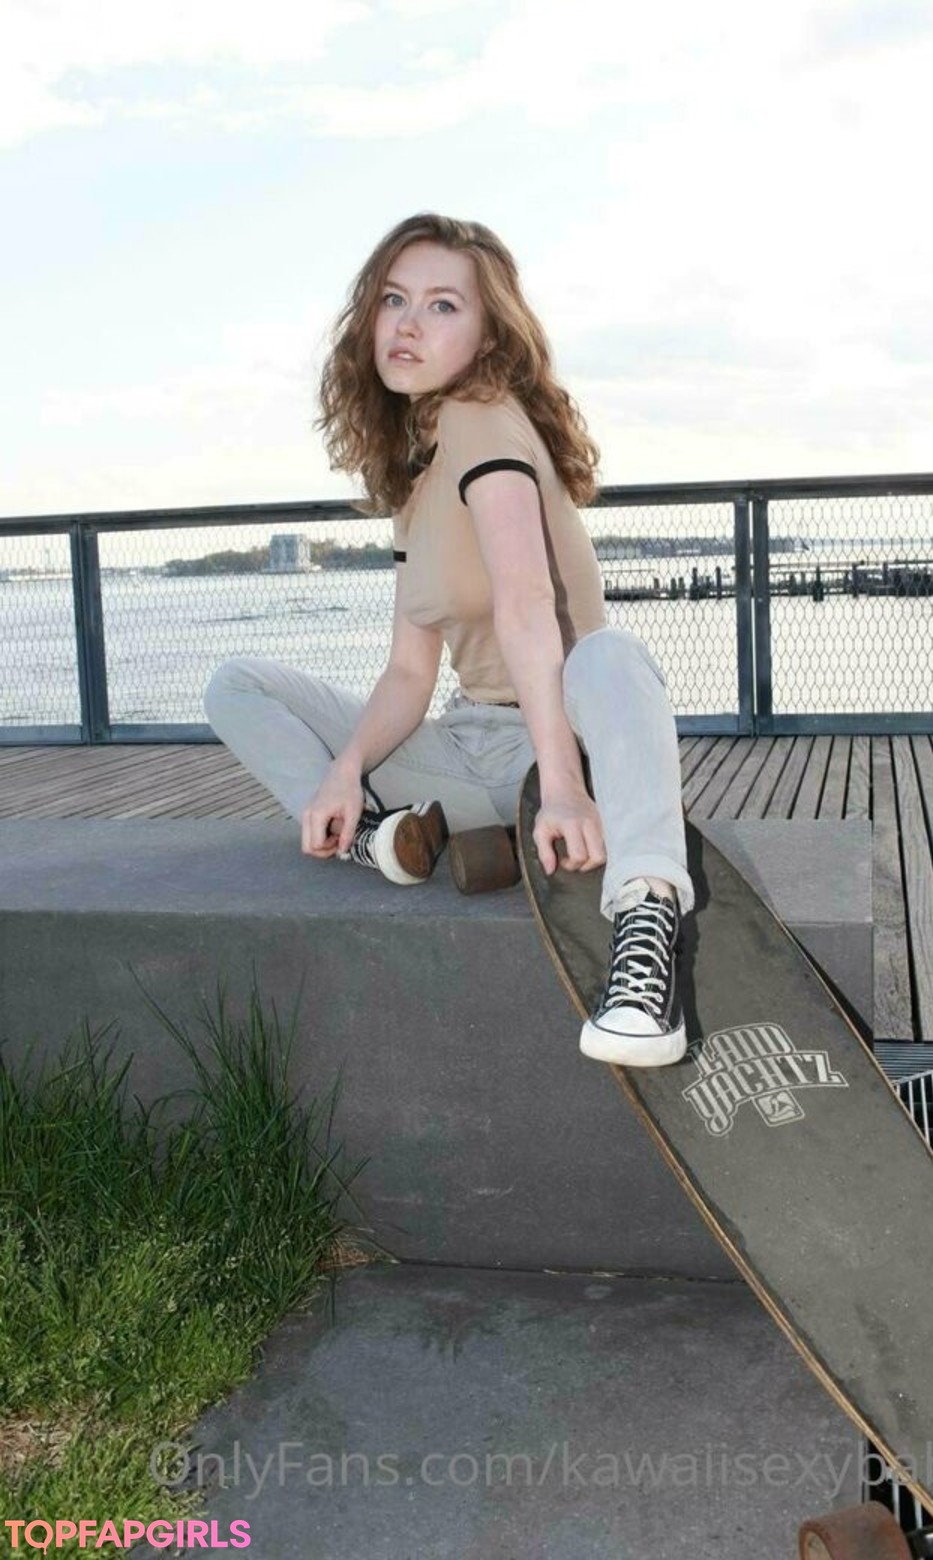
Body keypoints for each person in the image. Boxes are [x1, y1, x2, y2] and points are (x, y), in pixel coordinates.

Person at [204, 212, 694, 1067]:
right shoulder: (413, 477)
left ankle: (646, 933)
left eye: (442, 305)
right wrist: (344, 770)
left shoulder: (481, 415)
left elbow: (526, 604)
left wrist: (566, 788)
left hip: (570, 739)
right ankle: (380, 838)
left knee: (612, 655)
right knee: (235, 685)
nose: (408, 323)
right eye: (394, 300)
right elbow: (408, 672)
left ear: (488, 334)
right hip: (473, 753)